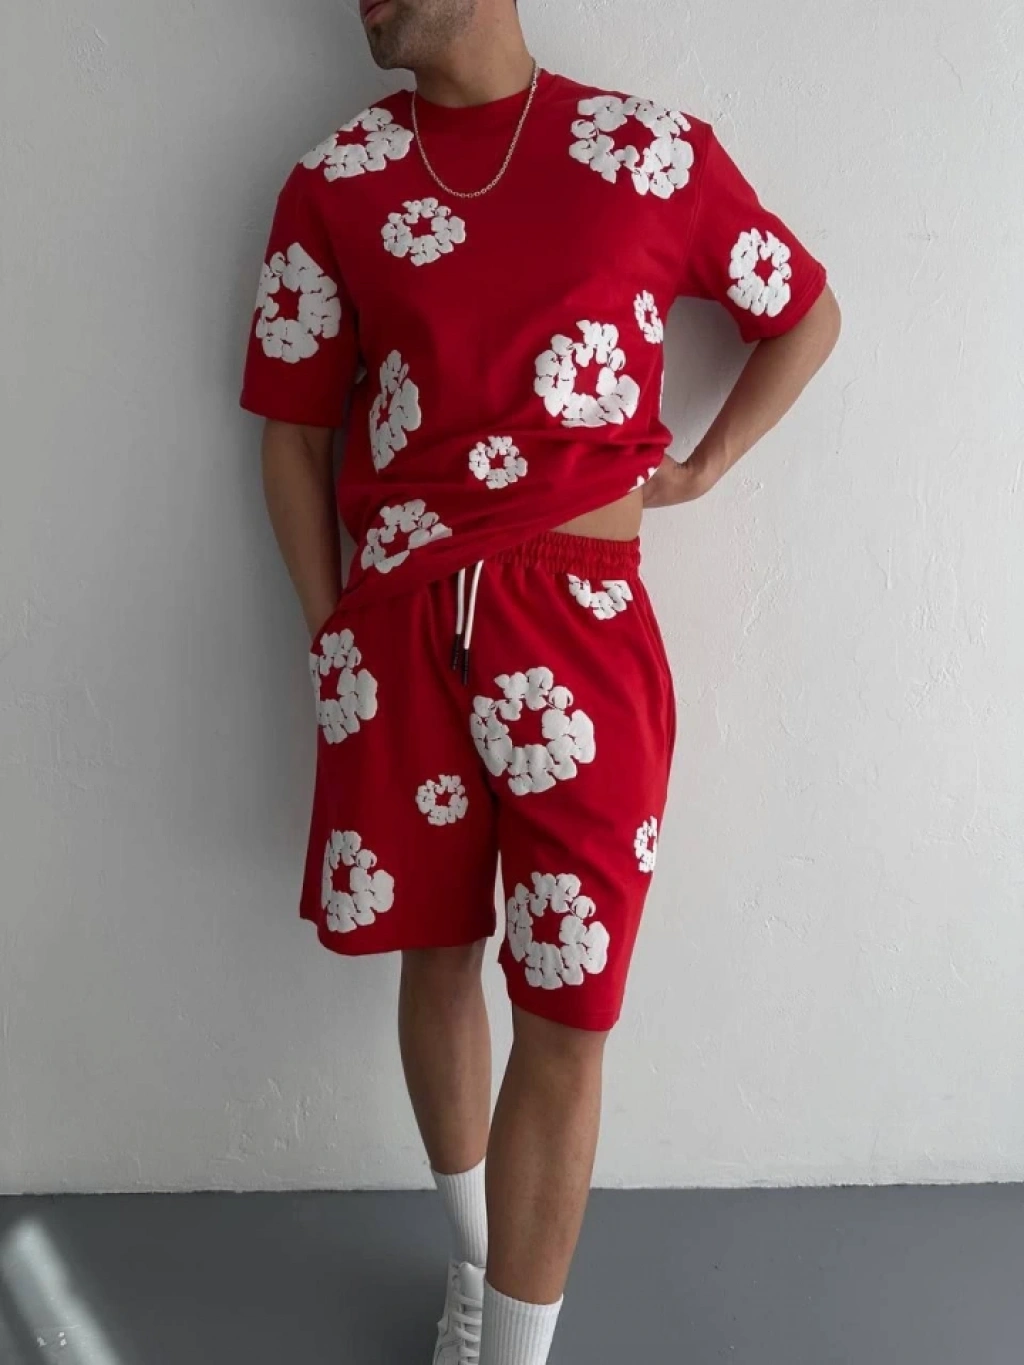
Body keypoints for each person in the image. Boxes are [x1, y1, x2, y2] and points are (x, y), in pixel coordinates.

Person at [239, 0, 841, 1359]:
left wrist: (703, 468)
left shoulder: (647, 153)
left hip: (580, 627)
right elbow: (292, 433)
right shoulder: (335, 182)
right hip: (396, 634)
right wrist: (335, 636)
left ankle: (515, 1349)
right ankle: (477, 1271)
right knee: (436, 953)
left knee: (571, 996)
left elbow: (802, 312)